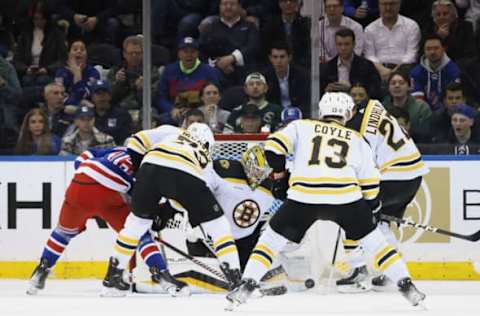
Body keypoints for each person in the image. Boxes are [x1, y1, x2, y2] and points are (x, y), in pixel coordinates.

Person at [226, 92, 425, 309]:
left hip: (303, 197)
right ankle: (407, 287)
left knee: (270, 241)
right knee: (377, 244)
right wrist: (373, 207)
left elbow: (273, 147)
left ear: (321, 112)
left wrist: (281, 177)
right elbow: (369, 183)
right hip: (345, 198)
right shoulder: (357, 138)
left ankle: (246, 285)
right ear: (347, 114)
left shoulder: (301, 126)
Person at [102, 123, 243, 295]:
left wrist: (140, 178)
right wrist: (169, 210)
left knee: (136, 225)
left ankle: (112, 277)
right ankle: (236, 281)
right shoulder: (205, 159)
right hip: (185, 172)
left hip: (149, 167)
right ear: (208, 143)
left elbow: (136, 141)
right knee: (218, 227)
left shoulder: (171, 132)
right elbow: (188, 199)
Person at [27, 147, 187, 295]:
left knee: (62, 233)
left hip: (80, 183)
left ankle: (41, 270)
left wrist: (88, 178)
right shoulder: (150, 165)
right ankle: (162, 274)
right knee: (139, 235)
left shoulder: (119, 149)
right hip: (110, 195)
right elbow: (141, 198)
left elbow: (83, 157)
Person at [337, 94, 429, 292]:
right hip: (413, 174)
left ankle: (357, 271)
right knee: (381, 223)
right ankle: (389, 273)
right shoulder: (373, 103)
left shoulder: (356, 131)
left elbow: (362, 168)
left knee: (350, 209)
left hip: (394, 177)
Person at [199, 0, 261, 88]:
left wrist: (232, 58)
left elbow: (253, 47)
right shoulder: (210, 28)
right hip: (218, 71)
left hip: (245, 70)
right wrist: (217, 63)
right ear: (219, 6)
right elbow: (202, 52)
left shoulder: (249, 26)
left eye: (232, 4)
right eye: (225, 4)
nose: (228, 7)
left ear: (239, 6)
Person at [155, 36, 220, 114]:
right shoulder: (169, 70)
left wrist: (203, 110)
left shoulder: (209, 71)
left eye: (192, 51)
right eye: (185, 51)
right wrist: (171, 110)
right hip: (175, 113)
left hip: (201, 113)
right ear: (179, 54)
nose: (189, 55)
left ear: (197, 53)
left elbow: (215, 95)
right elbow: (161, 97)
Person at [13, 0, 67, 88]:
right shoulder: (25, 34)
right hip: (29, 72)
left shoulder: (56, 34)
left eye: (42, 19)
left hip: (48, 72)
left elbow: (63, 59)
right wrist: (26, 69)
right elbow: (17, 59)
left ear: (47, 18)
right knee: (27, 80)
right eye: (36, 19)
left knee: (42, 80)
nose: (38, 22)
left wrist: (47, 69)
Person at [364, 0, 420, 82]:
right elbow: (369, 55)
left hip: (405, 70)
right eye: (384, 4)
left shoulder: (411, 26)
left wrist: (395, 72)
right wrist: (382, 70)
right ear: (379, 5)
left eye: (392, 4)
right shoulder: (370, 29)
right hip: (378, 70)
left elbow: (412, 54)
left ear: (399, 4)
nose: (388, 8)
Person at [321, 28, 382, 100]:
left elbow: (375, 91)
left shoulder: (367, 66)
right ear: (336, 45)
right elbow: (319, 92)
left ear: (354, 44)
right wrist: (326, 91)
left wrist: (351, 89)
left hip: (359, 103)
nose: (343, 48)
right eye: (339, 44)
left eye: (347, 44)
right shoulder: (327, 67)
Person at [410, 34, 462, 111]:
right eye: (428, 49)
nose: (432, 52)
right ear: (424, 51)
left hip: (447, 111)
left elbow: (454, 98)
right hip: (425, 112)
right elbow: (417, 99)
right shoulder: (416, 72)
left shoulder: (453, 70)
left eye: (436, 48)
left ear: (443, 49)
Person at [108, 35, 160, 111]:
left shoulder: (152, 71)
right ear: (124, 54)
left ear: (143, 54)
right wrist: (118, 83)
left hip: (143, 109)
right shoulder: (115, 71)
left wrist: (142, 89)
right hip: (119, 109)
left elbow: (154, 100)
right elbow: (109, 98)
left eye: (138, 53)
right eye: (130, 53)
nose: (134, 56)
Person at [262, 42, 311, 117]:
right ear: (270, 58)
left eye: (282, 57)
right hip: (275, 114)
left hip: (298, 114)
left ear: (289, 57)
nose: (279, 61)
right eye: (275, 57)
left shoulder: (302, 75)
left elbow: (306, 101)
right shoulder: (265, 77)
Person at [382, 71, 432, 142]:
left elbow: (426, 133)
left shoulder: (422, 107)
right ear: (388, 87)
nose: (397, 86)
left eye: (401, 83)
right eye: (393, 83)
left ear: (409, 87)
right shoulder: (381, 108)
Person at [422, 0, 477, 64]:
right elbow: (422, 54)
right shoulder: (428, 28)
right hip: (434, 66)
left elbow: (470, 55)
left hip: (458, 66)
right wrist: (437, 37)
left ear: (453, 15)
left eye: (445, 14)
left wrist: (448, 38)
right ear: (433, 17)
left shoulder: (466, 27)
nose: (442, 17)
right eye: (438, 14)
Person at [261, 0, 311, 67]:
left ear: (296, 3)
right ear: (279, 3)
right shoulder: (270, 25)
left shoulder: (304, 24)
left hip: (301, 65)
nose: (288, 3)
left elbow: (307, 49)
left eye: (292, 1)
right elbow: (265, 50)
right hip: (275, 65)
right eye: (284, 1)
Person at [55, 39, 100, 106]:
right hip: (67, 107)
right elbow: (59, 97)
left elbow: (84, 94)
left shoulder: (93, 73)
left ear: (86, 55)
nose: (79, 51)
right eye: (75, 49)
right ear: (69, 54)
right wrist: (79, 102)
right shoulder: (61, 73)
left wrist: (77, 74)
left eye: (82, 50)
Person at [91, 80, 132, 145]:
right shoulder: (88, 116)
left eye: (104, 93)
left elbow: (127, 140)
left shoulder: (122, 115)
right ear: (92, 97)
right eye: (98, 93)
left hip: (116, 151)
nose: (101, 97)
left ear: (110, 96)